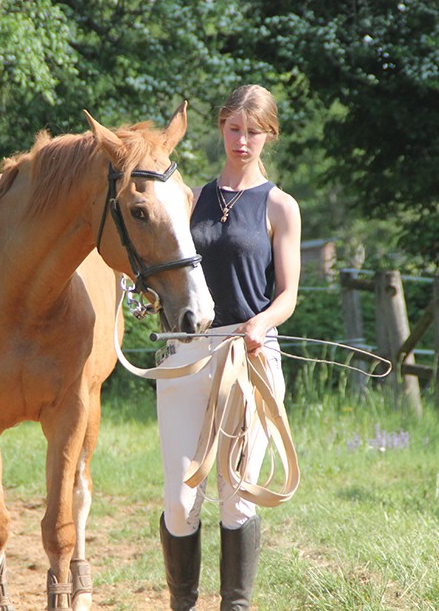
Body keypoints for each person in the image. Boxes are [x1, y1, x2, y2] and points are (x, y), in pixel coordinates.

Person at [156, 84, 302, 610]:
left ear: (269, 135)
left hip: (250, 357)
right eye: (234, 129)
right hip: (186, 356)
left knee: (236, 494)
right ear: (221, 127)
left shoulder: (280, 206)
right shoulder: (190, 199)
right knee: (180, 500)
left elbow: (287, 295)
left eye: (253, 132)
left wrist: (261, 323)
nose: (242, 141)